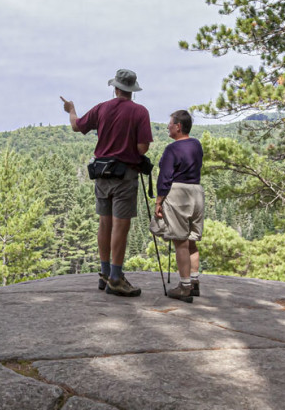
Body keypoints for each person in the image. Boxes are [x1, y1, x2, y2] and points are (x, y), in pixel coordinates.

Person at [60, 69, 153, 297]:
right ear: (132, 90)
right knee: (121, 226)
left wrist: (71, 110)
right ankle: (115, 278)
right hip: (125, 175)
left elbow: (77, 126)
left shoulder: (102, 108)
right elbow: (143, 148)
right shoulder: (140, 112)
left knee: (104, 223)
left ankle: (104, 273)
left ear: (115, 87)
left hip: (102, 173)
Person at [153, 110, 204, 303]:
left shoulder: (172, 149)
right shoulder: (196, 145)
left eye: (170, 123)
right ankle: (194, 281)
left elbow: (165, 178)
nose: (167, 126)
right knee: (191, 240)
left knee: (180, 241)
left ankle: (184, 287)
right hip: (197, 192)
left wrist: (159, 201)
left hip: (179, 194)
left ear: (178, 126)